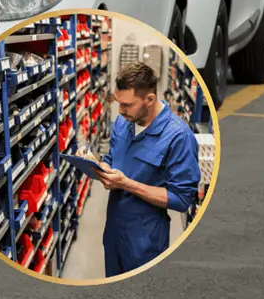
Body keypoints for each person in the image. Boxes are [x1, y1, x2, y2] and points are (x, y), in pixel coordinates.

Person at [80, 61, 201, 277]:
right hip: (115, 231)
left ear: (150, 99)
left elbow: (182, 199)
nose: (120, 111)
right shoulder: (121, 123)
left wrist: (126, 184)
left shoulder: (178, 136)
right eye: (119, 103)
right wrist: (96, 166)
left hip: (145, 242)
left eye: (127, 105)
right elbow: (111, 160)